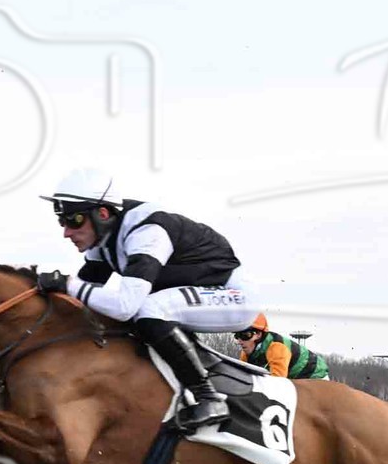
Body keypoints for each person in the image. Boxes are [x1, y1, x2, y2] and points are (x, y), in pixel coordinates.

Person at [34, 168, 255, 432]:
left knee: (148, 309)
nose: (67, 232)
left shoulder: (147, 231)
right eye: (62, 221)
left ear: (102, 214)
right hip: (195, 294)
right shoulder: (102, 241)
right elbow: (81, 304)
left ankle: (209, 397)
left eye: (74, 220)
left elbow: (125, 306)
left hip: (233, 297)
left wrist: (68, 284)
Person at [235, 313, 328, 379]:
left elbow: (278, 384)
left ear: (258, 334)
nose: (240, 341)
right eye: (237, 336)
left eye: (245, 335)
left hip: (316, 376)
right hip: (295, 379)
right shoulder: (246, 352)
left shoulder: (277, 348)